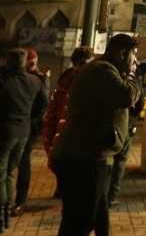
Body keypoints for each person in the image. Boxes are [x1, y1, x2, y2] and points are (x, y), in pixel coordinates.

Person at [51, 34, 142, 236]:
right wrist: (135, 81)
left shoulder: (106, 70)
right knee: (80, 221)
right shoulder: (102, 70)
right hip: (83, 158)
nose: (136, 61)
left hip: (94, 155)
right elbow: (125, 96)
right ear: (122, 53)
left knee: (99, 214)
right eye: (134, 55)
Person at [0, 49, 45, 232]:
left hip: (4, 132)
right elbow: (43, 103)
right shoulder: (34, 81)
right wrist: (30, 119)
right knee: (10, 172)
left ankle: (2, 211)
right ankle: (7, 211)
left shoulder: (4, 81)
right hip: (23, 132)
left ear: (9, 61)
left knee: (1, 172)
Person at [42, 46, 94, 200]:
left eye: (83, 65)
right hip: (64, 140)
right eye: (76, 65)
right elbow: (52, 115)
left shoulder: (96, 83)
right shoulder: (64, 85)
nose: (79, 69)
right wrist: (49, 141)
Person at [12, 49, 50, 217]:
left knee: (23, 162)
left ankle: (21, 200)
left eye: (31, 62)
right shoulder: (15, 77)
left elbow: (43, 103)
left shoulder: (39, 79)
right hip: (17, 125)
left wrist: (32, 119)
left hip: (30, 127)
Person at [108, 80, 145, 207]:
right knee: (119, 161)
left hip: (106, 127)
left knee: (105, 159)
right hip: (125, 128)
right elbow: (140, 103)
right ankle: (111, 195)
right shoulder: (132, 81)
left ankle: (102, 193)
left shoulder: (108, 78)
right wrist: (130, 119)